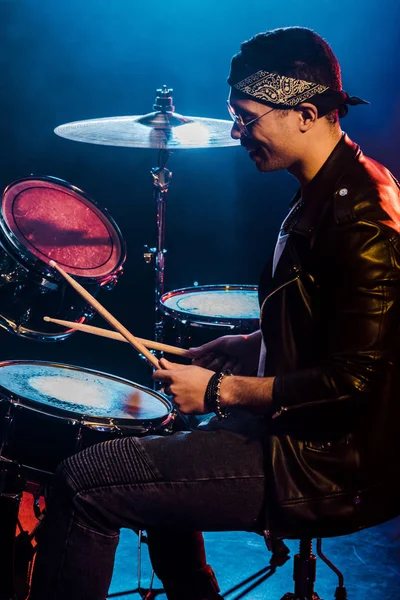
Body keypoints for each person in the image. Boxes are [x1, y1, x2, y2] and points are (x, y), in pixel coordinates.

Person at [28, 26, 400, 600]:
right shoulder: (330, 187)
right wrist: (251, 345)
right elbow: (330, 328)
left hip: (322, 464)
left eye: (247, 118)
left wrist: (223, 389)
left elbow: (357, 380)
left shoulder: (362, 220)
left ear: (304, 112)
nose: (237, 133)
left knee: (85, 484)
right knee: (150, 448)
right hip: (296, 436)